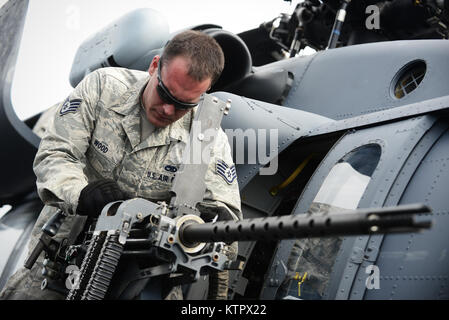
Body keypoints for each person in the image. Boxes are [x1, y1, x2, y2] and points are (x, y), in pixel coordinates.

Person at [0, 30, 241, 300]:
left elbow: (226, 220)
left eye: (183, 105)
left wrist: (205, 227)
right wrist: (80, 193)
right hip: (57, 268)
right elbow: (55, 154)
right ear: (154, 67)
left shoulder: (206, 136)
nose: (169, 111)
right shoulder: (104, 88)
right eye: (165, 94)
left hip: (141, 281)